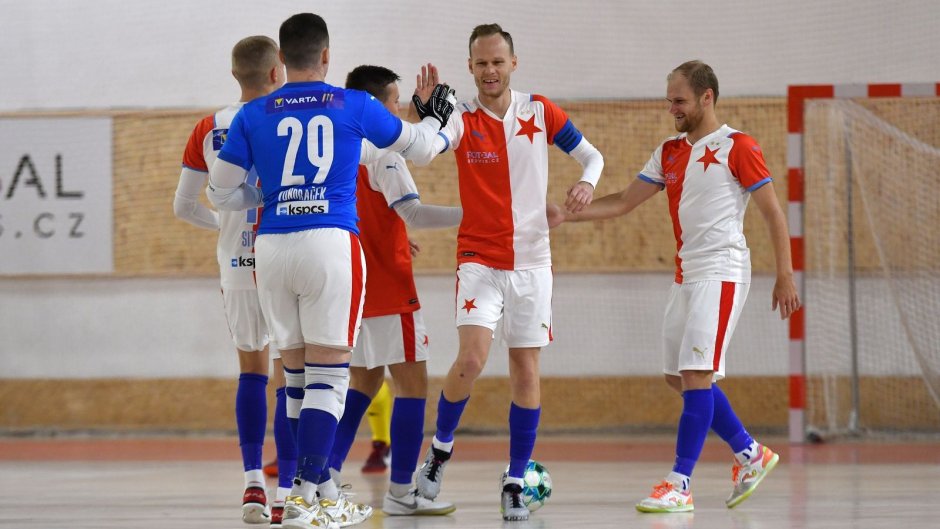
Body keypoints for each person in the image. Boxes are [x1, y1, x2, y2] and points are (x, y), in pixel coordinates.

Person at [206, 12, 456, 529]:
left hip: (271, 247)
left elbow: (218, 193)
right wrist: (441, 121)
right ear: (326, 56)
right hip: (330, 242)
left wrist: (272, 197)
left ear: (281, 59)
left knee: (293, 377)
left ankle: (311, 491)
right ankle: (304, 499)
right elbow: (426, 149)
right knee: (329, 377)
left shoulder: (253, 114)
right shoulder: (354, 104)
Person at [548, 60, 800, 513]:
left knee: (697, 376)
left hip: (721, 272)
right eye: (669, 101)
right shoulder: (668, 152)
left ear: (707, 97)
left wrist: (785, 274)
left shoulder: (737, 146)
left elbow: (773, 213)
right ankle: (750, 454)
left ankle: (679, 482)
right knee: (677, 377)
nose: (672, 109)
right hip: (685, 275)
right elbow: (625, 202)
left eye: (679, 101)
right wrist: (568, 214)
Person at [409, 24, 604, 521]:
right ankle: (440, 451)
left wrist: (585, 183)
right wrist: (424, 113)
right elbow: (427, 151)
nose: (490, 71)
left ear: (513, 63)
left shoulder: (539, 111)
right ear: (470, 68)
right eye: (480, 64)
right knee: (471, 359)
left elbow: (591, 155)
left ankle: (515, 480)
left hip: (533, 262)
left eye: (498, 62)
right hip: (478, 259)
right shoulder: (460, 116)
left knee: (525, 369)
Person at [323, 64, 461, 517]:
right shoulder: (387, 152)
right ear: (379, 106)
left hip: (353, 286)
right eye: (395, 102)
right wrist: (473, 214)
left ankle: (325, 476)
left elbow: (368, 214)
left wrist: (391, 234)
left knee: (362, 382)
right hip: (388, 288)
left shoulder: (339, 146)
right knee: (413, 383)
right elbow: (415, 213)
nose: (399, 110)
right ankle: (402, 490)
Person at [173, 35, 296, 526]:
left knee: (252, 369)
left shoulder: (211, 125)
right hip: (289, 256)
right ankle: (289, 491)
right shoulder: (296, 118)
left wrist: (224, 228)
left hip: (238, 264)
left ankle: (252, 484)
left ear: (234, 74)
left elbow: (184, 206)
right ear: (276, 72)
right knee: (295, 376)